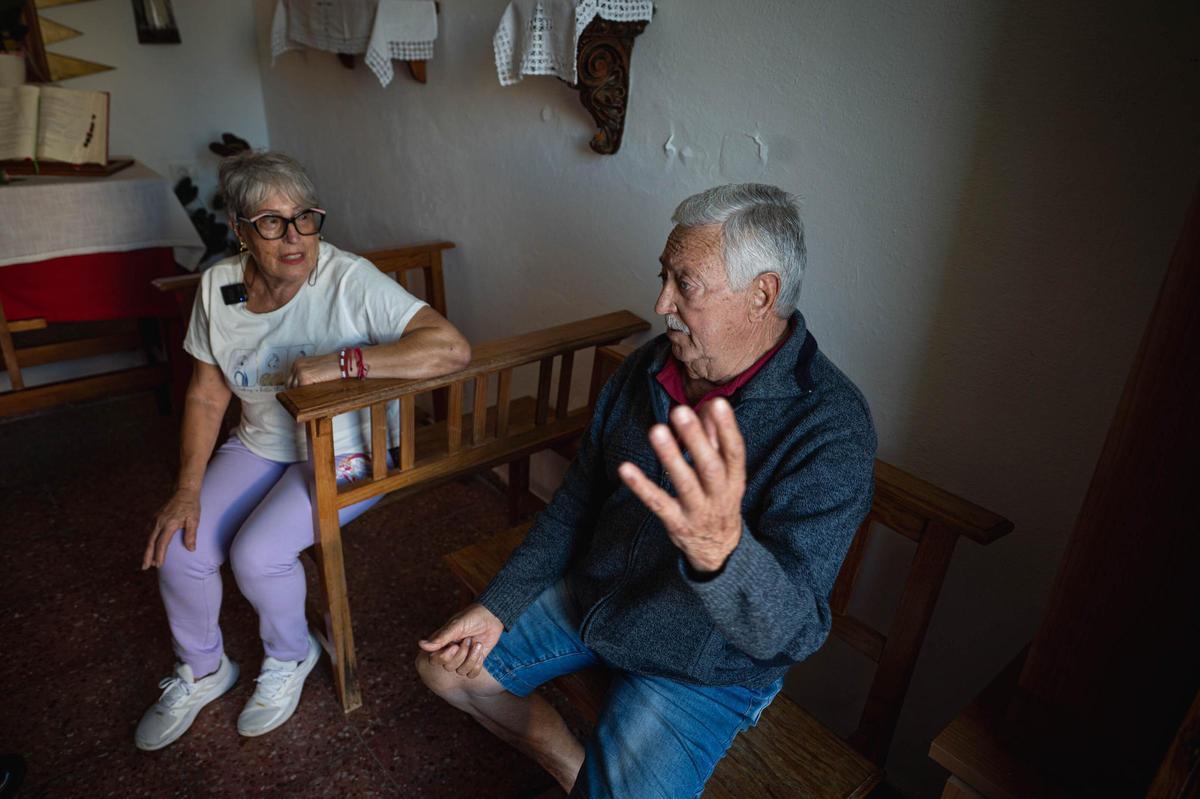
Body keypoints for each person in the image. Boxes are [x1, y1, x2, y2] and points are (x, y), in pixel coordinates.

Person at [417, 184, 876, 797]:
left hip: (703, 667)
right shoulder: (651, 366)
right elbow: (578, 501)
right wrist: (500, 603)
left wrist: (722, 556)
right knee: (445, 670)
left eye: (686, 284)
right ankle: (570, 767)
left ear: (761, 295)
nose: (662, 302)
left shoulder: (830, 426)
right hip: (599, 596)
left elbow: (791, 634)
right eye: (664, 275)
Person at [136, 150, 470, 751]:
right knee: (180, 548)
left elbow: (449, 350)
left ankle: (290, 656)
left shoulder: (348, 278)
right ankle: (204, 670)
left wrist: (343, 362)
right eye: (271, 222)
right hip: (263, 443)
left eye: (305, 218)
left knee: (258, 553)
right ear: (240, 231)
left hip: (351, 449)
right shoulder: (218, 285)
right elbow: (208, 395)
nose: (293, 238)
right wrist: (185, 490)